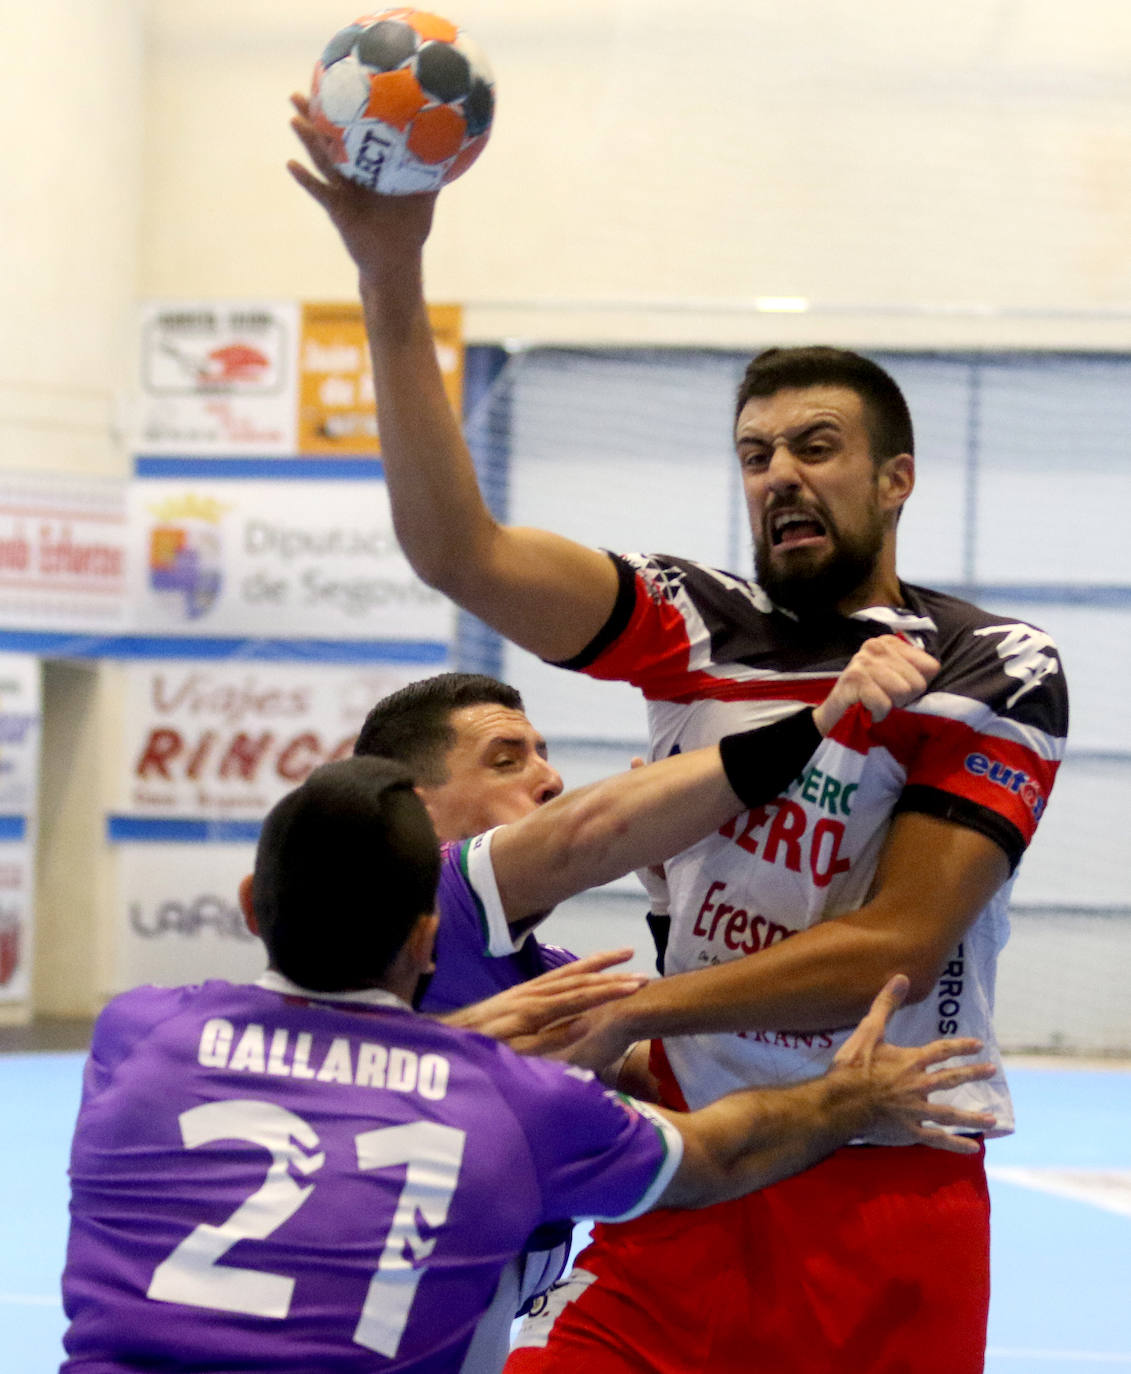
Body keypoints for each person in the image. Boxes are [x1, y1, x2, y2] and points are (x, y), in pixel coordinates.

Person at [287, 108, 1070, 1374]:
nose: (780, 477)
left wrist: (631, 1012)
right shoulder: (693, 623)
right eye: (756, 455)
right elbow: (458, 553)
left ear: (896, 479)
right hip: (689, 1177)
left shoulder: (991, 666)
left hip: (881, 1182)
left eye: (818, 448)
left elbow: (893, 946)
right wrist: (392, 270)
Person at [60, 756, 996, 1374]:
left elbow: (321, 1083)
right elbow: (722, 1156)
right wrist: (848, 1093)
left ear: (250, 908)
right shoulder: (507, 1101)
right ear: (426, 936)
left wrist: (454, 1037)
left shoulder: (135, 1035)